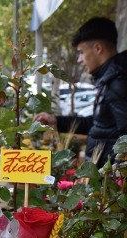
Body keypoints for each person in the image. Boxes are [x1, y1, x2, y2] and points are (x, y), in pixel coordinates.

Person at [34, 17, 127, 167]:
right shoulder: (110, 79)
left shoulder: (118, 82)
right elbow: (99, 125)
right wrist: (58, 121)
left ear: (97, 48)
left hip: (109, 185)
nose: (79, 60)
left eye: (81, 52)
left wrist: (115, 181)